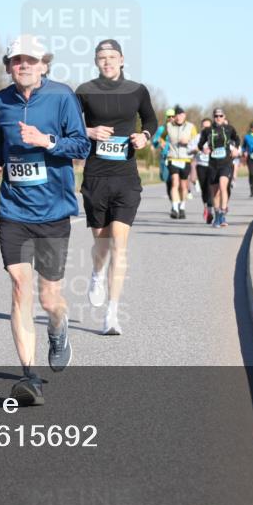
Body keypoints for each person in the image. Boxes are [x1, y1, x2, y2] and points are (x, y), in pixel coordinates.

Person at [0, 34, 89, 405]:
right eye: (16, 60)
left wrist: (48, 142)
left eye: (30, 59)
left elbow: (81, 145)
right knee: (19, 287)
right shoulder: (1, 101)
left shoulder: (62, 97)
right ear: (9, 66)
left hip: (53, 211)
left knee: (49, 298)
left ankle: (58, 330)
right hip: (13, 209)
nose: (23, 65)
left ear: (44, 63)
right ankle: (30, 378)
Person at [76, 39, 157, 336]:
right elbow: (68, 124)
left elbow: (150, 118)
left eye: (112, 56)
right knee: (102, 242)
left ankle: (112, 314)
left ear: (122, 59)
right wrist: (89, 131)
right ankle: (97, 273)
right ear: (96, 62)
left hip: (126, 177)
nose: (107, 61)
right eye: (101, 57)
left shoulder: (137, 90)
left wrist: (144, 135)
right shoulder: (84, 91)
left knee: (119, 244)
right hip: (96, 175)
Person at [197, 107, 239, 227]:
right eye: (216, 116)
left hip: (226, 162)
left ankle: (222, 214)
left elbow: (237, 139)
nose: (218, 118)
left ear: (224, 117)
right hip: (213, 164)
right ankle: (216, 215)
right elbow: (200, 144)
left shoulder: (229, 129)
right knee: (215, 193)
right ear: (213, 117)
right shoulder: (207, 131)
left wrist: (236, 149)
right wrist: (203, 148)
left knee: (222, 185)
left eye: (221, 116)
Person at [155, 106, 197, 219]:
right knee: (174, 182)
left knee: (183, 186)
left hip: (185, 159)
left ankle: (182, 207)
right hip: (172, 158)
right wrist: (161, 142)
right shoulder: (168, 126)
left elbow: (196, 142)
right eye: (176, 115)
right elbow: (159, 137)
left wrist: (188, 141)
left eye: (180, 115)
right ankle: (174, 208)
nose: (178, 117)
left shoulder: (191, 127)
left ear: (184, 116)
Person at [190, 118, 214, 223]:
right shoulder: (197, 137)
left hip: (213, 165)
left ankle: (210, 211)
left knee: (210, 188)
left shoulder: (215, 137)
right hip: (200, 165)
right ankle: (206, 207)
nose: (206, 128)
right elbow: (189, 149)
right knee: (204, 189)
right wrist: (198, 149)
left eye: (208, 126)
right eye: (204, 126)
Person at [152, 108, 175, 204]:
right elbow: (154, 142)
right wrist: (158, 142)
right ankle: (172, 198)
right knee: (166, 179)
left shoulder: (178, 128)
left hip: (175, 157)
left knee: (175, 179)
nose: (171, 118)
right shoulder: (162, 129)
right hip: (165, 156)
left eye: (173, 116)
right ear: (166, 117)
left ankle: (176, 205)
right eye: (169, 116)